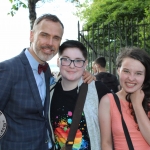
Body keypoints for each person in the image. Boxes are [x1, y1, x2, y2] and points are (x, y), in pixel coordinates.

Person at [0, 14, 95, 150]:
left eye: (56, 38)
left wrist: (84, 74)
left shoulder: (46, 70)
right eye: (44, 35)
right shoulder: (8, 69)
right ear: (32, 35)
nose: (50, 43)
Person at [49, 40, 110, 150]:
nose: (72, 66)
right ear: (58, 62)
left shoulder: (98, 90)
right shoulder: (48, 93)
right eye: (66, 60)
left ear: (85, 64)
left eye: (78, 61)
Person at [99, 47, 150, 150]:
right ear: (118, 70)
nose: (131, 78)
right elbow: (106, 144)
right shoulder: (108, 101)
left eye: (138, 73)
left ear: (145, 76)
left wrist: (137, 105)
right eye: (126, 71)